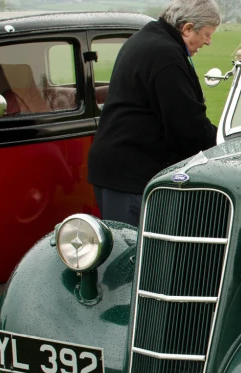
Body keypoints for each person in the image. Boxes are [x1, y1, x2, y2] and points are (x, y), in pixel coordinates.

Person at [88, 0, 220, 226]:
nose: (208, 42)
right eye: (206, 35)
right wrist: (224, 142)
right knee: (136, 252)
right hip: (132, 174)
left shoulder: (145, 39)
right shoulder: (165, 54)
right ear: (187, 28)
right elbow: (187, 126)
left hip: (117, 167)